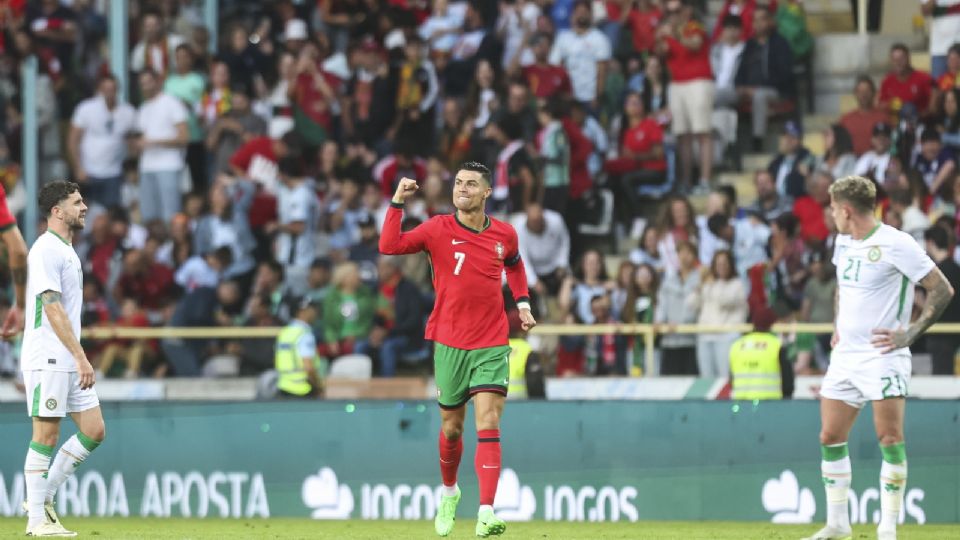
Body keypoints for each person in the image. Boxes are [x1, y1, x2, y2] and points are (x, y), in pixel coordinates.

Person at [379, 162, 535, 537]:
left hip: (492, 340)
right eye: (458, 182)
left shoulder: (505, 234)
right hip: (449, 340)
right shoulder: (437, 229)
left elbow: (514, 266)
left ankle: (485, 512)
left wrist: (523, 303)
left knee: (490, 420)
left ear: (486, 193)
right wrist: (398, 201)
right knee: (452, 428)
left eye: (471, 184)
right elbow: (389, 245)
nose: (462, 188)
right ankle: (449, 492)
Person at [802, 175, 955, 540]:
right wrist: (839, 323)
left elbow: (942, 289)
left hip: (882, 355)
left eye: (833, 208)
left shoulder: (896, 243)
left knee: (889, 438)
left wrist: (911, 334)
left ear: (847, 210)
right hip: (845, 356)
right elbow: (843, 286)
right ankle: (838, 524)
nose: (830, 214)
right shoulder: (843, 241)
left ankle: (888, 528)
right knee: (830, 435)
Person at [21, 181, 104, 537]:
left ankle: (44, 498)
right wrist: (80, 356)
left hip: (67, 357)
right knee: (46, 434)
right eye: (77, 202)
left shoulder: (66, 249)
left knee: (94, 430)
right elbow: (51, 306)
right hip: (49, 356)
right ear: (57, 211)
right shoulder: (45, 250)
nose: (84, 207)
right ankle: (36, 520)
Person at [67, 73, 137, 209]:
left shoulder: (128, 112)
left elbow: (133, 141)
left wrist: (131, 169)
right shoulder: (85, 109)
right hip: (89, 172)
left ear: (118, 89)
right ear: (99, 89)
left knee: (111, 213)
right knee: (86, 215)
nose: (109, 92)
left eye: (112, 89)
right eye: (105, 88)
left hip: (115, 173)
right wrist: (78, 167)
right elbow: (72, 140)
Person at [734, 5, 795, 152]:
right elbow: (740, 71)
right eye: (755, 20)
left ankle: (757, 141)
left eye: (762, 19)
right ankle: (727, 145)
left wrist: (755, 89)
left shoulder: (780, 43)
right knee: (720, 95)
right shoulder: (750, 44)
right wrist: (739, 86)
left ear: (770, 21)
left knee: (759, 96)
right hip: (747, 90)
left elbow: (784, 75)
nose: (758, 23)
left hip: (775, 91)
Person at [133, 68, 190, 223]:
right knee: (148, 216)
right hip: (146, 166)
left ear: (158, 81)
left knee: (170, 215)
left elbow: (184, 137)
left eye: (148, 82)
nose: (145, 86)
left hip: (169, 165)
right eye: (142, 84)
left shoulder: (172, 102)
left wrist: (154, 142)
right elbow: (142, 138)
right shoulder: (143, 108)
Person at [729, 306, 793, 400]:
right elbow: (787, 380)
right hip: (770, 403)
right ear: (772, 324)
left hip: (741, 403)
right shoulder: (776, 345)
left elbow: (731, 379)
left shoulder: (737, 345)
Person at [923, 226, 960, 375]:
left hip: (939, 333)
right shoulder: (956, 268)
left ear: (930, 243)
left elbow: (935, 304)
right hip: (953, 332)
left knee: (941, 379)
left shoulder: (937, 273)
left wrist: (921, 301)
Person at [275, 298, 325, 398]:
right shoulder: (304, 334)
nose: (315, 312)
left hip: (283, 388)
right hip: (303, 391)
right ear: (302, 312)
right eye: (312, 308)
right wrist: (318, 387)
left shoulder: (286, 332)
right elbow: (308, 367)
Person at [839, 75, 889, 156]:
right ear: (855, 93)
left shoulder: (883, 118)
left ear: (874, 93)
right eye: (860, 91)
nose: (864, 95)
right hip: (852, 163)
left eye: (867, 91)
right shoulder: (846, 120)